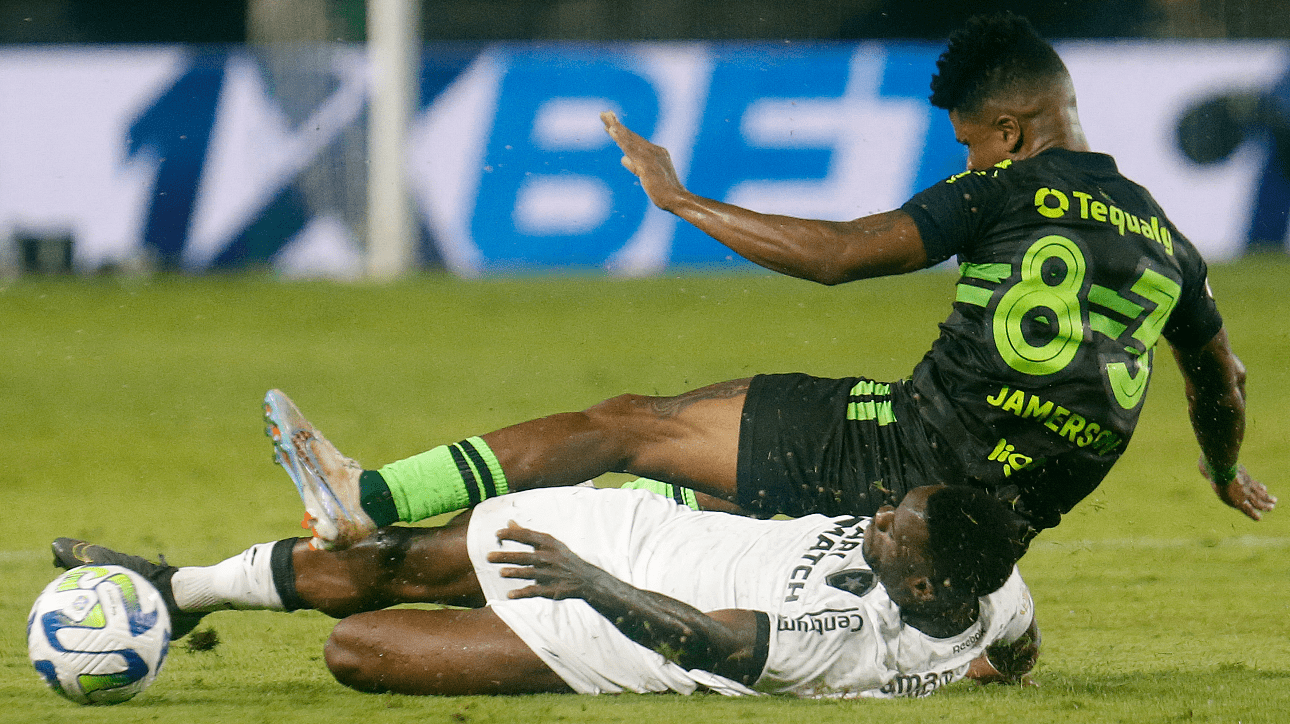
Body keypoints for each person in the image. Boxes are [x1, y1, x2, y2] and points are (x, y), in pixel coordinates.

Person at [266, 12, 1273, 556]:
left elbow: (838, 256)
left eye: (969, 144)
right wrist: (1224, 472)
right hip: (1000, 525)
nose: (967, 162)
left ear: (1009, 131)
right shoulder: (1164, 236)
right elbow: (1219, 382)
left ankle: (371, 500)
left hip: (907, 458)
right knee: (683, 482)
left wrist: (681, 198)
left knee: (628, 425)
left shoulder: (1001, 193)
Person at [52, 484, 1039, 697]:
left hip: (617, 635)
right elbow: (1020, 644)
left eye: (887, 527)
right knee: (387, 559)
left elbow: (709, 643)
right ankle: (177, 589)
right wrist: (995, 671)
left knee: (354, 652)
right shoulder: (989, 583)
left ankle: (184, 591)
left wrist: (587, 586)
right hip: (640, 532)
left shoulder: (852, 632)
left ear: (916, 579)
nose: (873, 517)